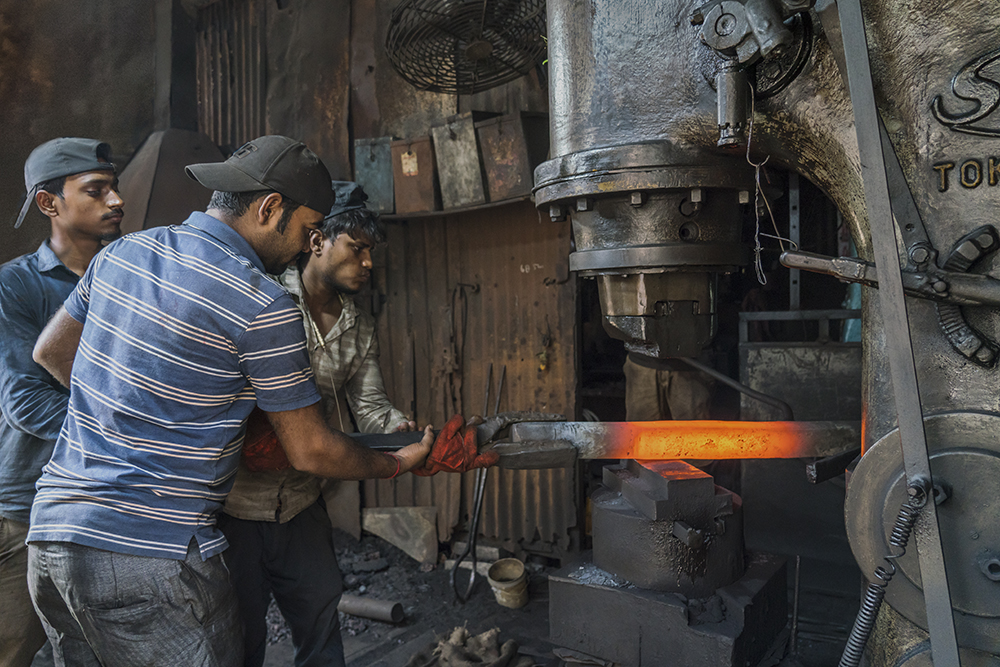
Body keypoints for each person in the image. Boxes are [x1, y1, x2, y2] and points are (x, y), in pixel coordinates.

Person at [25, 136, 448, 667]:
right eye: (308, 229)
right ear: (269, 208)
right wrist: (395, 462)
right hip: (152, 552)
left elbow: (52, 352)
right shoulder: (262, 302)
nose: (307, 245)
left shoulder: (123, 252)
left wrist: (132, 409)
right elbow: (311, 450)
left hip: (53, 538)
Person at [219, 181, 412, 667]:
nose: (367, 263)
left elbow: (371, 407)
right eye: (357, 248)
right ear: (317, 241)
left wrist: (400, 429)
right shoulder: (264, 298)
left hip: (303, 500)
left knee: (321, 624)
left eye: (370, 252)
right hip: (236, 504)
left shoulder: (358, 327)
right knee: (241, 636)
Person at [0, 137, 123, 667]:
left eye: (114, 187)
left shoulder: (132, 277)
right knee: (15, 646)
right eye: (96, 190)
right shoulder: (15, 286)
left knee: (103, 649)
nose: (116, 200)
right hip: (29, 503)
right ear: (49, 203)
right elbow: (26, 402)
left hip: (110, 499)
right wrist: (125, 432)